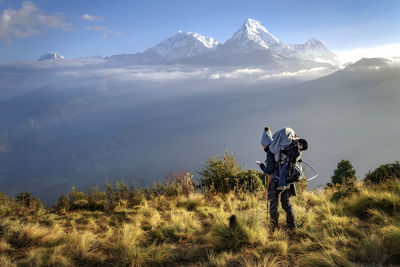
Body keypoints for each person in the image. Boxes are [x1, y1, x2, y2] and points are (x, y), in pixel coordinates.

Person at [257, 126, 307, 230]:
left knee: (274, 207)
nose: (264, 148)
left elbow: (269, 170)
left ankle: (274, 229)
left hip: (276, 184)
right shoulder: (283, 148)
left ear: (266, 145)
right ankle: (292, 226)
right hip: (288, 182)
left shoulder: (271, 152)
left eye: (264, 146)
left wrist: (261, 165)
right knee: (287, 205)